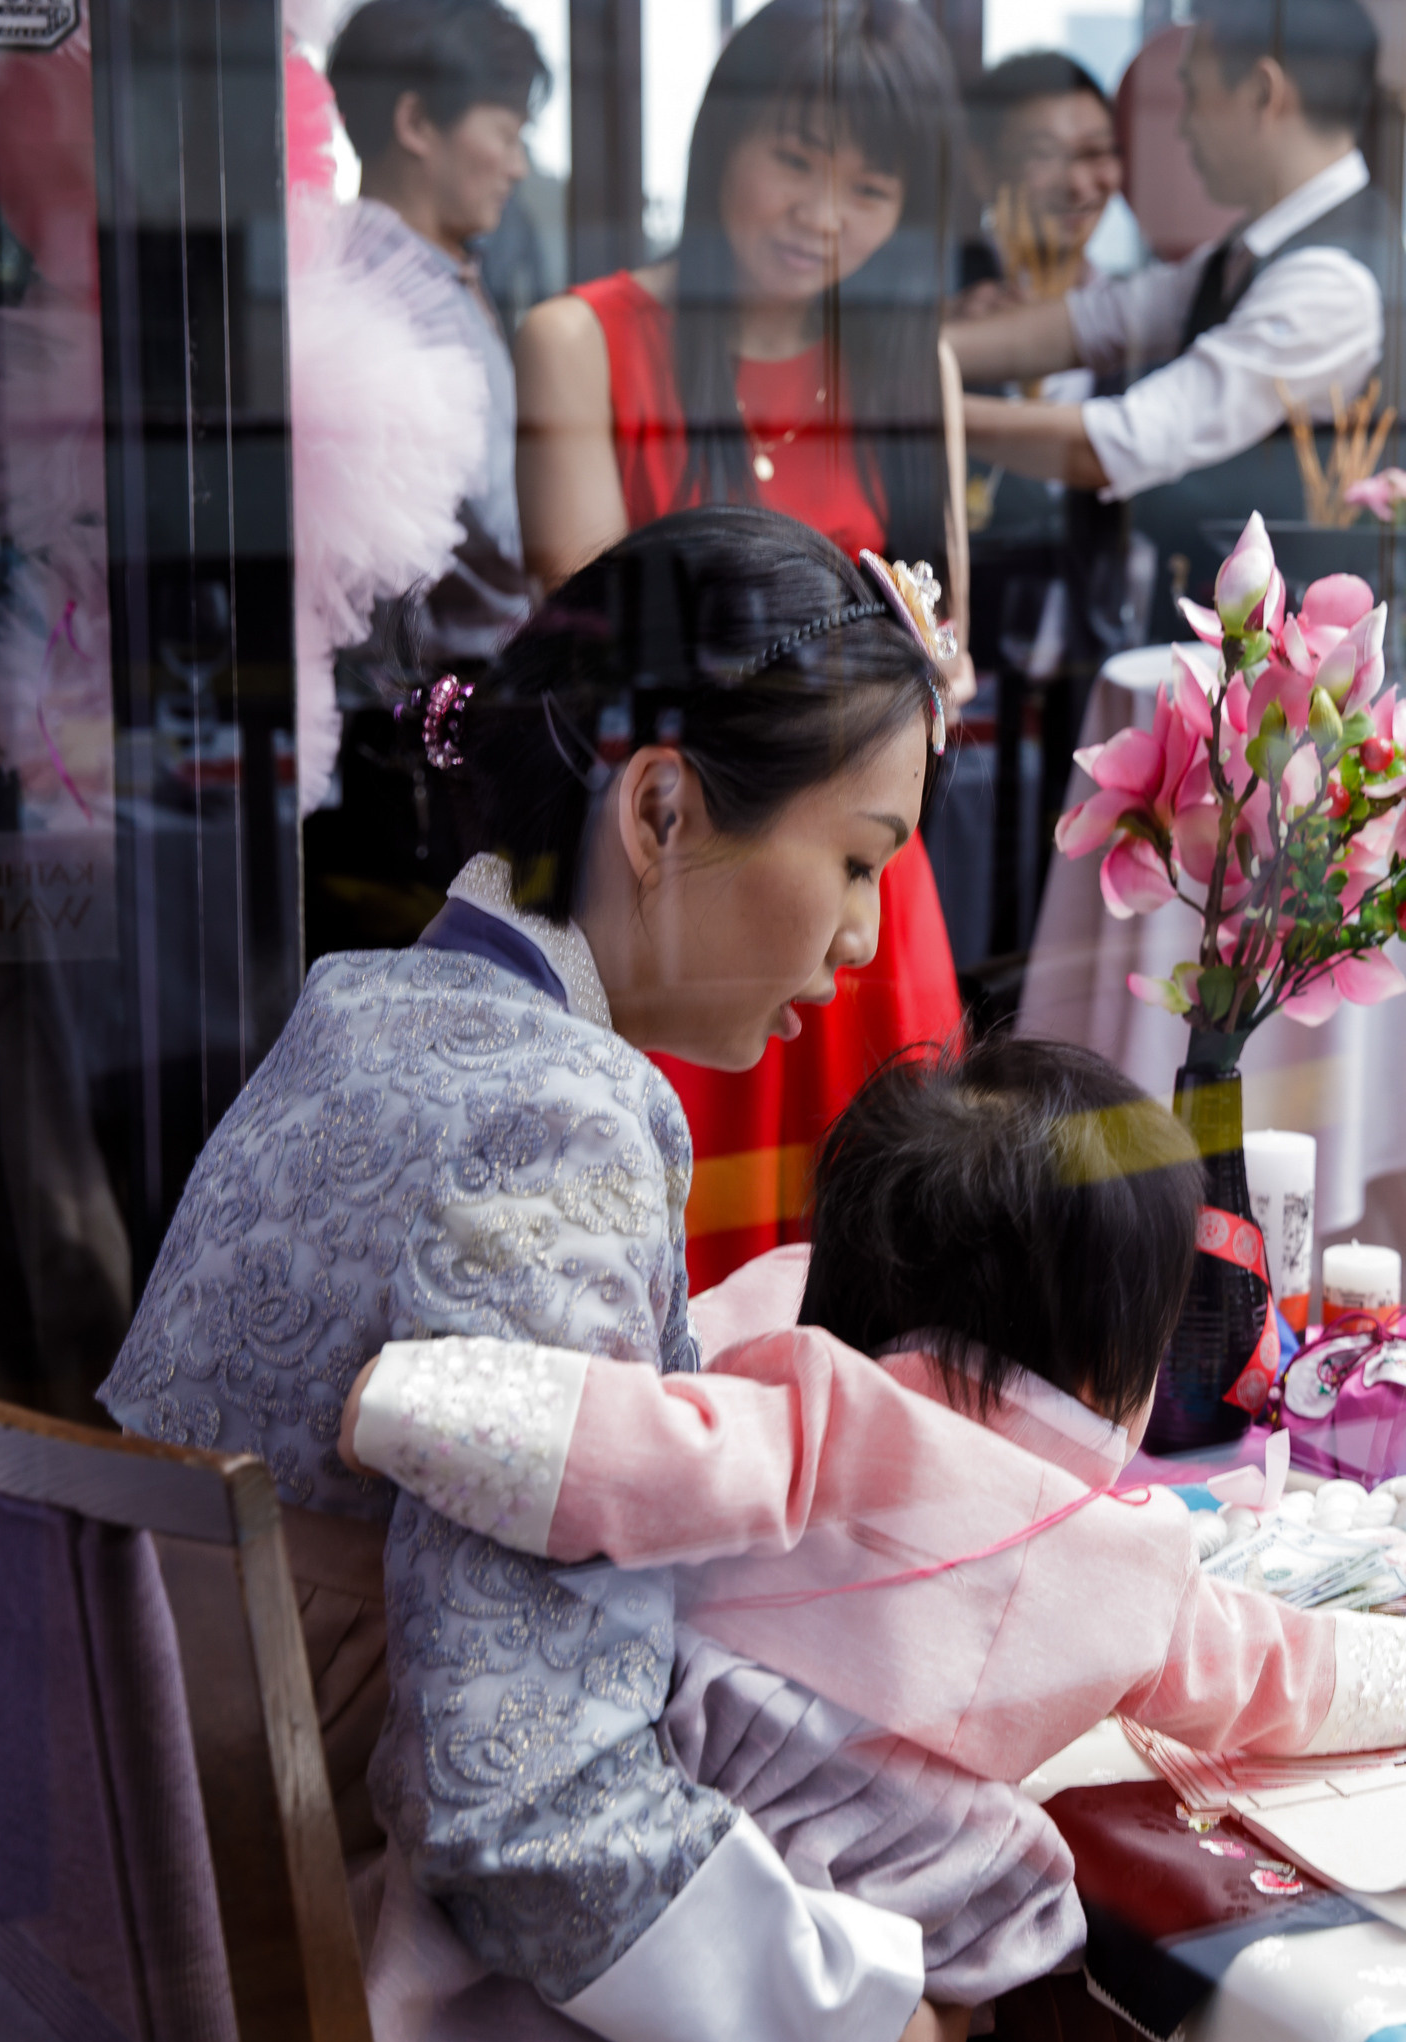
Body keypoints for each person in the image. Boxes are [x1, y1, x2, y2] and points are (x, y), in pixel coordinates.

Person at [99, 511, 1011, 2042]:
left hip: (140, 1844)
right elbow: (519, 1796)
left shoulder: (367, 1004)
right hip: (286, 1927)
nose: (864, 936)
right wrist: (853, 2016)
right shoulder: (561, 1117)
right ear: (659, 809)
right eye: (857, 859)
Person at [341, 1036, 1406, 1796]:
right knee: (1020, 1896)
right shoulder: (1082, 1548)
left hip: (659, 1782)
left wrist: (418, 1399)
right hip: (828, 1854)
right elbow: (1248, 1660)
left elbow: (627, 1442)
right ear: (1108, 1361)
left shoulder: (796, 1386)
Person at [512, 0, 971, 1287]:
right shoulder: (580, 342)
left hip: (865, 889)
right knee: (645, 1271)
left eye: (870, 189)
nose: (822, 214)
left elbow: (945, 642)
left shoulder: (909, 368)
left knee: (874, 1272)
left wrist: (930, 670)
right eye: (795, 160)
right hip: (682, 887)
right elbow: (593, 660)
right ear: (723, 141)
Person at [943, 0, 1406, 629]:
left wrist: (913, 407)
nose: (1183, 129)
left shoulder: (1328, 282)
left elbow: (1123, 443)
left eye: (1192, 96)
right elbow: (1095, 321)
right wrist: (921, 349)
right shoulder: (1250, 252)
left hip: (1293, 670)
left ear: (1262, 94)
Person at [329, 0, 548, 668]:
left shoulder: (426, 269)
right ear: (417, 123)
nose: (518, 166)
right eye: (506, 135)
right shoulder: (392, 303)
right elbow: (497, 534)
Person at [953, 51, 1125, 327]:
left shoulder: (1131, 311)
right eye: (1043, 154)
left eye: (1096, 152)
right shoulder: (943, 295)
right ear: (981, 169)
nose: (1078, 184)